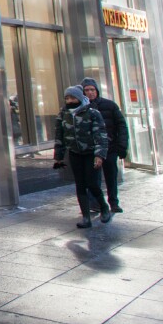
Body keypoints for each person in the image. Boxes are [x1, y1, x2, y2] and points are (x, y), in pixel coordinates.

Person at [52, 86, 111, 228]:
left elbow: (100, 135)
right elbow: (59, 136)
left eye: (72, 97)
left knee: (92, 183)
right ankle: (86, 217)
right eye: (67, 98)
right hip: (74, 154)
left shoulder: (92, 113)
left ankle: (104, 207)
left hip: (90, 154)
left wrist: (99, 155)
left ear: (79, 98)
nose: (70, 101)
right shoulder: (63, 114)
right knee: (80, 185)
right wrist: (58, 157)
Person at [81, 77, 129, 213]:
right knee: (92, 178)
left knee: (111, 176)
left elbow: (121, 126)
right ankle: (95, 203)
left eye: (92, 89)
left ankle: (113, 202)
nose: (90, 92)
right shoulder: (81, 109)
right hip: (91, 150)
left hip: (110, 147)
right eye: (87, 90)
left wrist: (122, 146)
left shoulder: (110, 105)